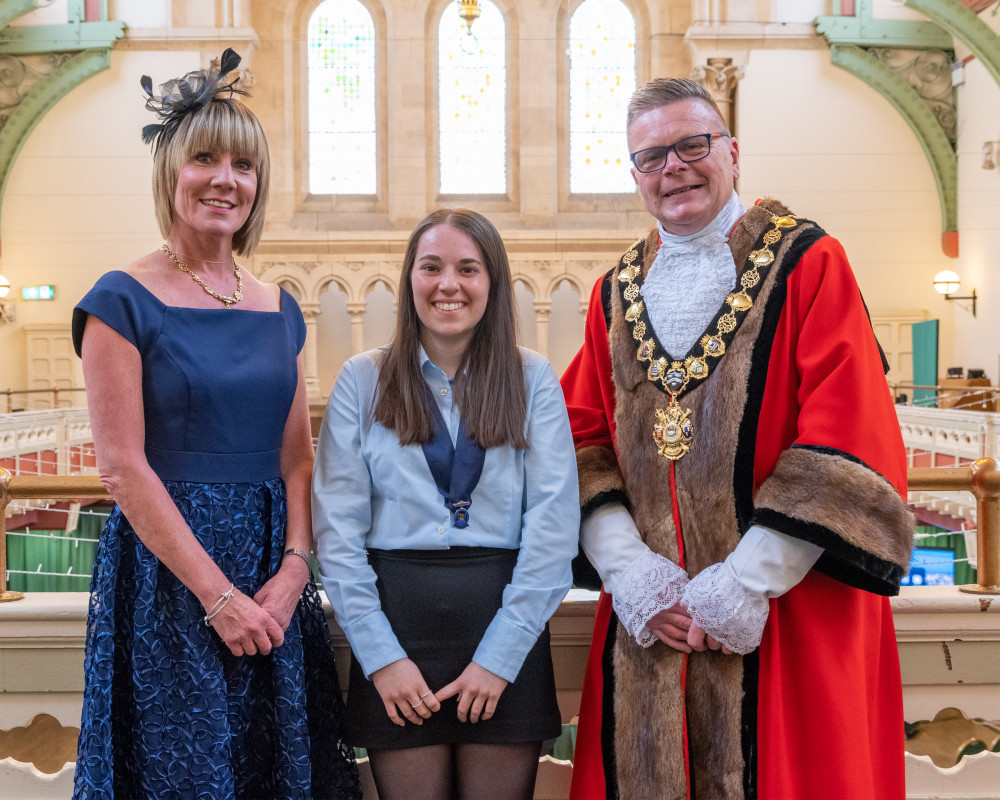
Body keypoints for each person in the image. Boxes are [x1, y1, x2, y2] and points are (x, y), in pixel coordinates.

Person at [561, 78, 914, 800]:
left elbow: (850, 435)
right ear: (634, 176)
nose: (674, 168)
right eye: (651, 156)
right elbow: (579, 441)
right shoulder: (612, 293)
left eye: (693, 145)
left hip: (787, 615)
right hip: (652, 623)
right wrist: (630, 571)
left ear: (732, 152)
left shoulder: (810, 262)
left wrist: (744, 585)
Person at [71, 50, 360, 799]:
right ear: (172, 170)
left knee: (274, 767)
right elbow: (123, 467)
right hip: (172, 581)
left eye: (243, 165)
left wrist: (296, 569)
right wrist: (217, 596)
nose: (225, 179)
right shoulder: (120, 300)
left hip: (272, 575)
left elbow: (298, 458)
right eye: (205, 159)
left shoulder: (279, 307)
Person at [312, 208, 579, 800]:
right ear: (410, 280)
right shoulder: (364, 379)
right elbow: (336, 531)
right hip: (395, 622)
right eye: (430, 267)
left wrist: (501, 656)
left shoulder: (530, 378)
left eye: (468, 268)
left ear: (493, 282)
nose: (447, 284)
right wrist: (381, 657)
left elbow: (554, 525)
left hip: (504, 618)